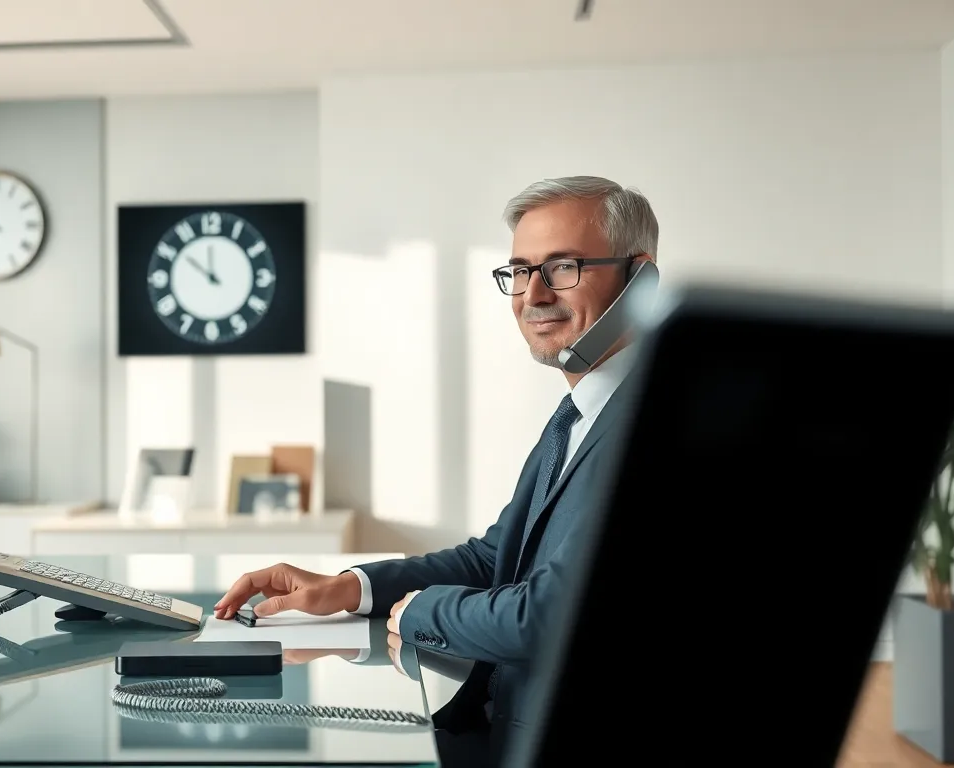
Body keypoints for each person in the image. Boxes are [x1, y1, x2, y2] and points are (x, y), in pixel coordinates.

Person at [213, 176, 659, 765]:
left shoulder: (650, 426)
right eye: (520, 271)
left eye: (563, 267)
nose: (533, 294)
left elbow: (554, 615)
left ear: (639, 280)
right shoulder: (579, 414)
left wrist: (422, 610)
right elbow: (495, 559)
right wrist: (346, 588)